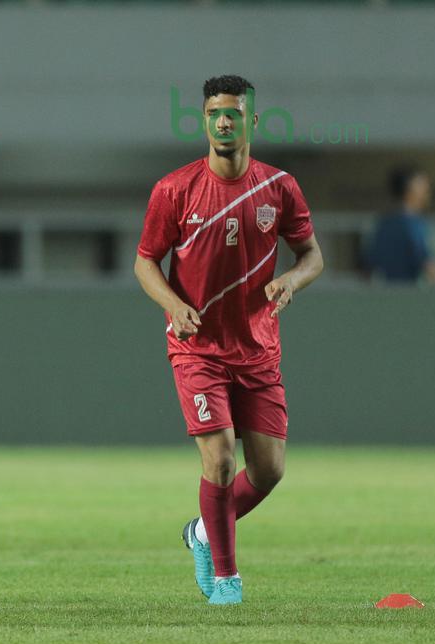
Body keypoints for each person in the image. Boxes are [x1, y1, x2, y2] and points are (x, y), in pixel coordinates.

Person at [133, 75, 324, 606]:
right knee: (218, 459)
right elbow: (145, 260)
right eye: (215, 113)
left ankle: (201, 530)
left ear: (251, 122)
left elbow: (312, 255)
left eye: (234, 113)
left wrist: (292, 279)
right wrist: (173, 305)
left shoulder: (278, 187)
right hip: (198, 349)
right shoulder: (175, 189)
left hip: (257, 347)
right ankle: (226, 578)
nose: (224, 121)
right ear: (204, 120)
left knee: (268, 470)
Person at [368, 166, 435, 286]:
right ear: (409, 189)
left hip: (387, 296)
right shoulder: (413, 225)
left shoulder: (383, 224)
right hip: (411, 296)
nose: (427, 190)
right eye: (422, 185)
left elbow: (367, 267)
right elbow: (428, 264)